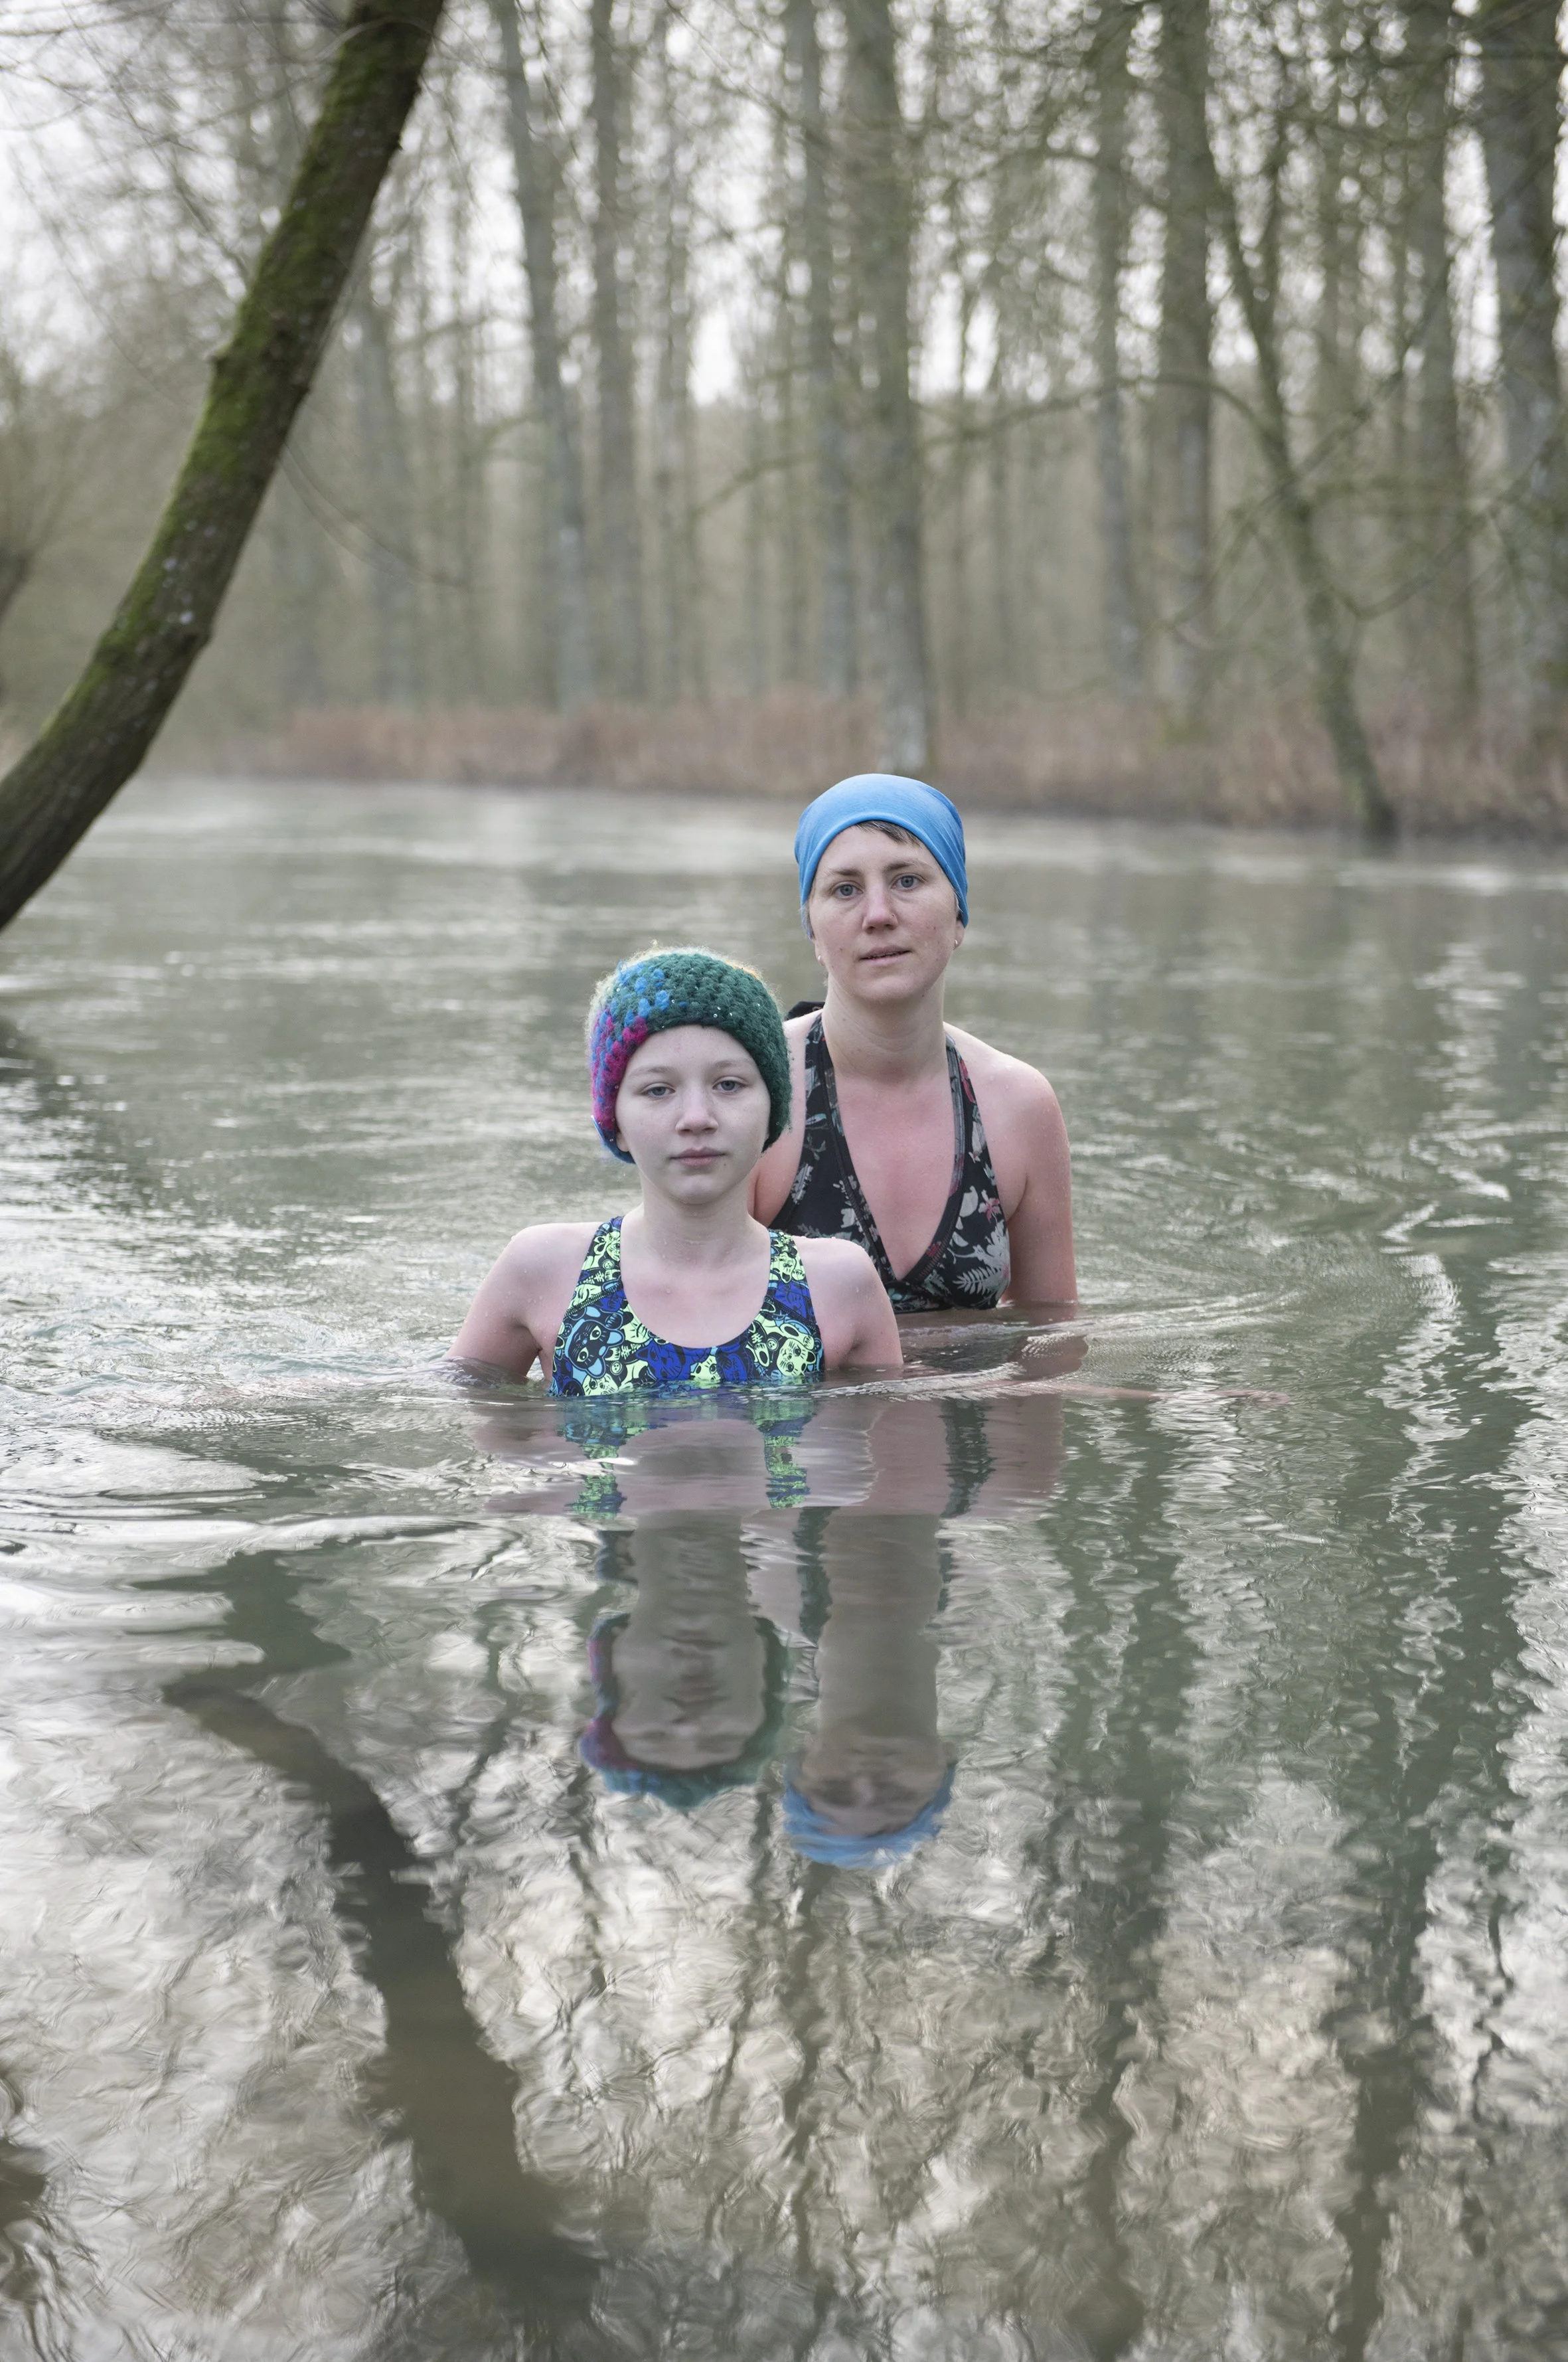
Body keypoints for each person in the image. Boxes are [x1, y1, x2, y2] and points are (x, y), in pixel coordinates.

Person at [449, 946, 902, 1388]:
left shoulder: (840, 1285)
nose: (697, 1118)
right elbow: (465, 1414)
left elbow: (888, 1451)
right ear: (616, 1121)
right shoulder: (544, 1270)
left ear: (773, 1111)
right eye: (658, 1090)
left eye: (729, 1084)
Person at [751, 774, 1076, 1313]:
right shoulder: (755, 1089)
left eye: (907, 880)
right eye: (845, 889)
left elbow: (1051, 1341)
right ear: (812, 929)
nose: (878, 915)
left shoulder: (1020, 1107)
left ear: (959, 915)